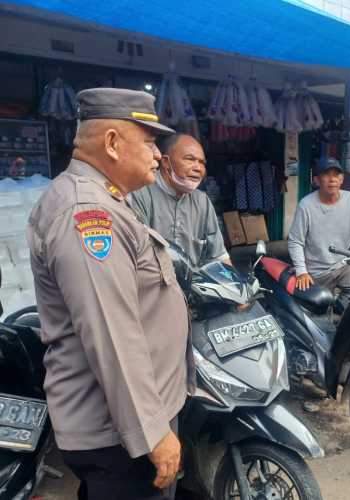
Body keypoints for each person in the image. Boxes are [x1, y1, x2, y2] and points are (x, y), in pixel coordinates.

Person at [27, 88, 195, 500]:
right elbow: (111, 332)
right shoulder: (86, 214)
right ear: (113, 143)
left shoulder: (108, 200)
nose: (158, 155)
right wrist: (153, 432)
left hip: (127, 421)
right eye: (151, 142)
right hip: (121, 435)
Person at [129, 133, 230, 267]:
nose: (198, 168)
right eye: (190, 159)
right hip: (152, 284)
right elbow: (136, 254)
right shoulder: (140, 193)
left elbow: (219, 257)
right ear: (166, 162)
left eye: (202, 162)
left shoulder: (202, 201)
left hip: (192, 286)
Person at [288, 157, 350, 296]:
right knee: (317, 311)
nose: (332, 179)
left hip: (344, 266)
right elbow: (295, 241)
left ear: (342, 179)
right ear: (316, 180)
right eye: (326, 174)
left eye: (336, 175)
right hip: (316, 272)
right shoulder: (306, 205)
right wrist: (301, 271)